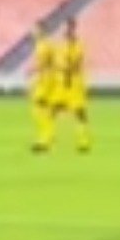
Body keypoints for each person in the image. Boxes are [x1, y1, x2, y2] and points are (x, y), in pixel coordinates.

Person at [50, 18, 92, 153]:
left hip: (74, 83)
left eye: (69, 28)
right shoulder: (61, 45)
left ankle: (83, 142)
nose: (67, 31)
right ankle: (48, 139)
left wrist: (67, 70)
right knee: (53, 110)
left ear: (73, 28)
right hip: (62, 83)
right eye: (66, 28)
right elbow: (58, 62)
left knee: (80, 112)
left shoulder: (78, 45)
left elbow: (77, 63)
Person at [28, 22, 57, 152]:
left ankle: (45, 139)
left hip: (46, 80)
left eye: (35, 30)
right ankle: (46, 137)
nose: (32, 32)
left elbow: (42, 64)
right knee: (42, 109)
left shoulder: (43, 46)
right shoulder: (45, 44)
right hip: (46, 79)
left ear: (41, 31)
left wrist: (31, 71)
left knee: (40, 108)